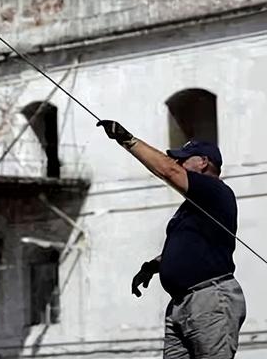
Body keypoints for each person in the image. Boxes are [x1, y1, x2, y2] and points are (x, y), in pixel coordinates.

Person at [98, 120, 245, 358]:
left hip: (209, 300)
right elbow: (188, 247)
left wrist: (127, 140)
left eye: (183, 158)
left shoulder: (215, 190)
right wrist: (153, 266)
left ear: (203, 162)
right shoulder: (193, 206)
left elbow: (169, 171)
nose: (177, 163)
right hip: (182, 303)